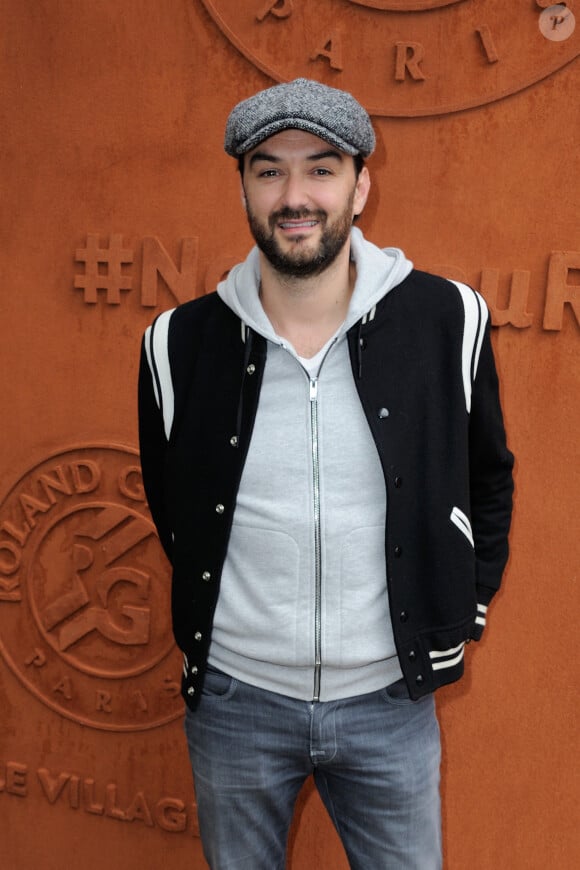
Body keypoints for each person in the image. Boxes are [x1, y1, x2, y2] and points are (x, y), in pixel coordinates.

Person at [138, 78, 514, 869]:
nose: (295, 195)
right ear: (243, 185)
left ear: (361, 183)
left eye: (321, 168)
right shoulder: (176, 342)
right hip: (236, 702)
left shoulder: (450, 317)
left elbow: (486, 478)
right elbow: (173, 503)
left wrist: (462, 608)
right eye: (269, 170)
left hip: (389, 700)